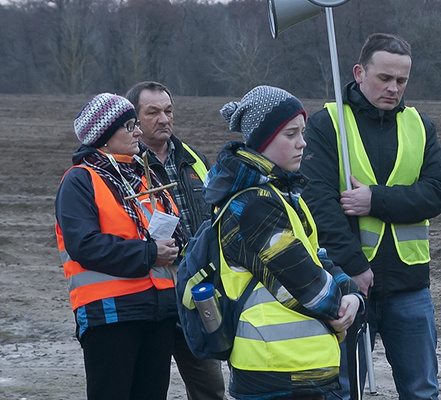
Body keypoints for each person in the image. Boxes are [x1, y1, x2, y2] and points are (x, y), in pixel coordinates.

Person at [301, 32, 441, 399]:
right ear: (359, 72)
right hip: (348, 283)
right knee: (342, 390)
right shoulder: (327, 123)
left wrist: (375, 200)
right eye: (384, 78)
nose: (394, 88)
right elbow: (317, 203)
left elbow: (435, 193)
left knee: (422, 392)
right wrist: (354, 265)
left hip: (410, 288)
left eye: (401, 80)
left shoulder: (420, 125)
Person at [202, 85, 364, 399]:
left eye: (302, 132)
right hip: (274, 371)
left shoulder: (282, 196)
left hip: (297, 368)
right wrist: (344, 304)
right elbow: (304, 283)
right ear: (262, 140)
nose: (302, 143)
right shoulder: (253, 205)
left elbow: (317, 258)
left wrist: (352, 293)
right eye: (290, 134)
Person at [55, 93, 182, 400]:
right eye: (129, 126)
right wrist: (151, 253)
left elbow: (172, 227)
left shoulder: (142, 176)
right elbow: (85, 244)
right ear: (104, 136)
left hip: (159, 312)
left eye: (136, 124)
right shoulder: (79, 180)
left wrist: (177, 245)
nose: (138, 131)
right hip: (110, 315)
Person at [126, 81, 226, 400]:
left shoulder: (195, 159)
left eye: (168, 111)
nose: (164, 119)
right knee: (148, 387)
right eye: (152, 112)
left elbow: (216, 217)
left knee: (211, 387)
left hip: (194, 291)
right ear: (134, 120)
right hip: (149, 295)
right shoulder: (124, 167)